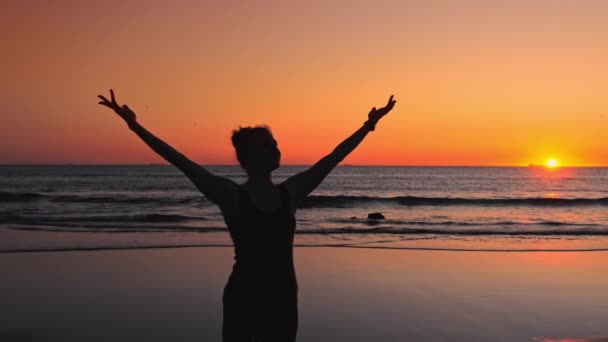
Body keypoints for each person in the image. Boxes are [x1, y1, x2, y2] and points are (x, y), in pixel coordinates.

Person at [98, 90, 396, 341]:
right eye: (266, 145)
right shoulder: (231, 196)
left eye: (274, 143)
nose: (275, 149)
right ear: (246, 158)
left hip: (284, 300)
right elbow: (180, 161)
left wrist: (368, 125)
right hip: (244, 300)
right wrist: (135, 127)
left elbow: (333, 158)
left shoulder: (289, 193)